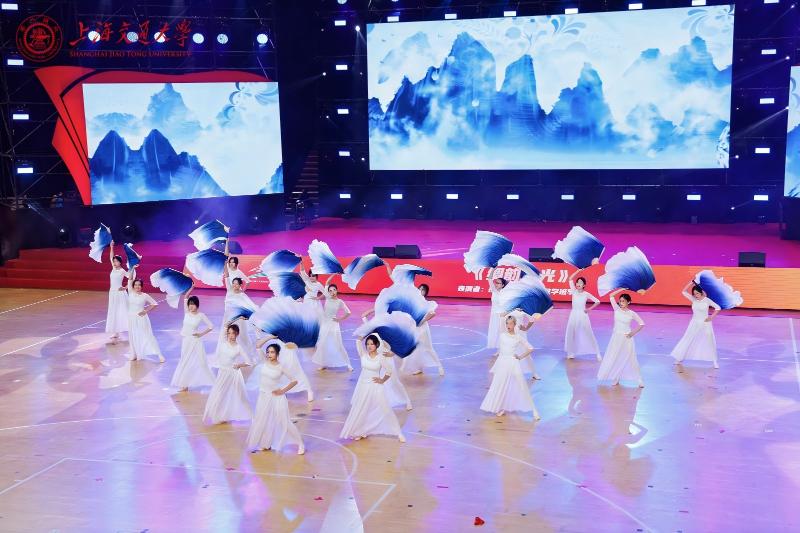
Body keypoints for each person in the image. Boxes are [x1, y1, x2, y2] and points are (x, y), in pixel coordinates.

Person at [340, 335, 406, 442]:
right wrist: (362, 335)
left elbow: (389, 370)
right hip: (363, 386)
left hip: (376, 386)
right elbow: (358, 341)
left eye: (372, 344)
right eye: (367, 344)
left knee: (385, 409)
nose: (369, 346)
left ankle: (398, 433)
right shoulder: (363, 355)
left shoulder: (380, 358)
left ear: (376, 345)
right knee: (362, 409)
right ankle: (360, 431)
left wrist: (382, 380)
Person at [247, 341, 305, 455]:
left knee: (284, 422)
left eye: (272, 352)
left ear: (277, 354)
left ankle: (300, 444)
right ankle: (266, 444)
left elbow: (294, 381)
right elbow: (258, 346)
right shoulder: (264, 361)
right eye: (268, 352)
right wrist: (270, 337)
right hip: (263, 396)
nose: (269, 354)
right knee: (264, 421)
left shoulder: (281, 367)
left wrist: (282, 391)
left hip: (276, 398)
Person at [480, 315, 540, 420]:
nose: (508, 325)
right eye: (507, 323)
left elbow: (531, 348)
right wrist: (504, 315)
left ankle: (535, 411)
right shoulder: (502, 335)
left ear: (514, 325)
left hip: (513, 363)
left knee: (522, 386)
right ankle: (502, 408)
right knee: (499, 386)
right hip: (502, 364)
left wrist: (520, 357)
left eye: (511, 323)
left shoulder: (518, 337)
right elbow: (501, 319)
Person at [203, 324, 252, 424]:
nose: (230, 335)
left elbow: (248, 362)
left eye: (233, 333)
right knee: (218, 394)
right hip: (222, 373)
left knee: (237, 395)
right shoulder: (223, 343)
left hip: (233, 374)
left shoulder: (238, 348)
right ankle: (218, 415)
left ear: (237, 334)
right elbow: (225, 326)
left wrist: (239, 365)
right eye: (229, 333)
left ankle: (250, 415)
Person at [596, 290, 646, 387]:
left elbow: (642, 324)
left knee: (631, 359)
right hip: (616, 338)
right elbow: (611, 296)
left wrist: (632, 333)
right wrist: (622, 288)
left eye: (623, 301)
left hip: (626, 339)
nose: (621, 303)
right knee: (615, 357)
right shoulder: (616, 309)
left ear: (628, 302)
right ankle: (616, 377)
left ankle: (639, 380)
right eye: (620, 301)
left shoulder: (632, 313)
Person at [171, 288, 215, 391]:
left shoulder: (201, 315)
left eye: (193, 304)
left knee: (201, 362)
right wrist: (191, 287)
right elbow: (185, 297)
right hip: (186, 341)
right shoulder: (187, 312)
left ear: (197, 305)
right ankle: (184, 384)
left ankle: (212, 382)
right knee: (185, 361)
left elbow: (211, 326)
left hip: (195, 341)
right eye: (190, 304)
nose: (191, 306)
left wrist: (201, 334)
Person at [670, 282, 721, 369]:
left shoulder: (707, 300)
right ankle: (679, 358)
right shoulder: (693, 299)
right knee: (688, 339)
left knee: (709, 341)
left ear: (701, 292)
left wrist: (711, 317)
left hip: (705, 323)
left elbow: (718, 307)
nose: (695, 295)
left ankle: (714, 361)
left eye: (697, 293)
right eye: (694, 294)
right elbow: (683, 291)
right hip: (694, 322)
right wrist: (691, 283)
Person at [401, 284, 445, 376]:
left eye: (423, 290)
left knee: (428, 348)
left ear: (425, 292)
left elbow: (432, 314)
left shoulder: (428, 304)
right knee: (413, 348)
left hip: (423, 328)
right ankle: (417, 368)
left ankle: (440, 367)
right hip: (414, 328)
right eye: (419, 289)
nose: (420, 291)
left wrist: (422, 321)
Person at [311, 279, 353, 371]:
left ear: (337, 290)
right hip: (325, 324)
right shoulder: (327, 297)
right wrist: (334, 274)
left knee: (338, 344)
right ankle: (323, 364)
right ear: (328, 292)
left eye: (334, 290)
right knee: (322, 344)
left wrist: (339, 319)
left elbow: (348, 312)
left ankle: (348, 364)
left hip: (334, 324)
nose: (332, 292)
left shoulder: (340, 302)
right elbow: (327, 282)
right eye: (330, 291)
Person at [258, 335, 314, 402]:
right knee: (282, 375)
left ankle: (308, 390)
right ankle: (285, 391)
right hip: (280, 349)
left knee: (296, 370)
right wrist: (272, 336)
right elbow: (258, 346)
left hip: (287, 347)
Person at [214, 277, 257, 362]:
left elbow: (249, 306)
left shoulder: (242, 295)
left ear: (240, 285)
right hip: (228, 317)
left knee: (242, 336)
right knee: (226, 335)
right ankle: (225, 355)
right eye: (233, 283)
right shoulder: (229, 292)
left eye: (237, 284)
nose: (234, 285)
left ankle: (246, 356)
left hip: (238, 319)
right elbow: (226, 278)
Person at [126, 270, 163, 363]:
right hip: (131, 318)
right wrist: (132, 268)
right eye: (135, 285)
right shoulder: (130, 292)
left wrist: (145, 311)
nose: (137, 286)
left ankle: (159, 354)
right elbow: (130, 278)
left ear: (141, 286)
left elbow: (154, 304)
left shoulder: (144, 295)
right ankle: (134, 354)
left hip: (142, 318)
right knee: (133, 336)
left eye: (139, 285)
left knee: (147, 335)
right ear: (133, 286)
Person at [564, 269, 601, 361]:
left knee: (588, 333)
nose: (578, 284)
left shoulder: (586, 294)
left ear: (584, 285)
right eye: (577, 282)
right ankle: (571, 353)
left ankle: (597, 352)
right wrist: (578, 271)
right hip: (573, 314)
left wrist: (589, 309)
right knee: (571, 333)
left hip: (583, 315)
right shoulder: (574, 291)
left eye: (580, 282)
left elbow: (597, 301)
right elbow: (570, 279)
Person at [105, 240, 129, 344]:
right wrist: (111, 247)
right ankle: (116, 332)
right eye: (114, 261)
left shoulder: (122, 271)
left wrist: (125, 287)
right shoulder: (113, 269)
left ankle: (128, 328)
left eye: (116, 261)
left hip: (120, 293)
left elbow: (131, 278)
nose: (114, 262)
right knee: (113, 311)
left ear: (120, 262)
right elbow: (111, 256)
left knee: (120, 311)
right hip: (112, 293)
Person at [486, 269, 507, 349]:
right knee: (494, 329)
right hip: (494, 314)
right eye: (496, 282)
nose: (496, 284)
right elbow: (489, 279)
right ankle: (497, 346)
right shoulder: (494, 291)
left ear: (502, 285)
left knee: (502, 330)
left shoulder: (505, 293)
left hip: (502, 315)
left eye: (498, 283)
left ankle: (502, 347)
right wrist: (493, 269)